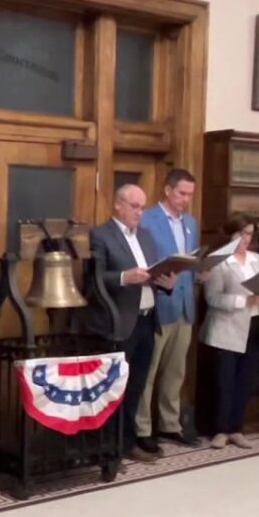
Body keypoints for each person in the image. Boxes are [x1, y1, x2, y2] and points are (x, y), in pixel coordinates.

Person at [84, 184, 176, 463]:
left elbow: (153, 273)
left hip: (148, 320)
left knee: (136, 385)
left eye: (142, 207)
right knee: (113, 390)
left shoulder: (146, 237)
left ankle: (126, 444)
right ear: (118, 205)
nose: (139, 212)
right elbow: (93, 281)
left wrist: (166, 283)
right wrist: (125, 277)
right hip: (118, 322)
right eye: (134, 206)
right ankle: (105, 449)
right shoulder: (100, 235)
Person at [137, 168, 202, 451]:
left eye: (190, 194)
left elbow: (189, 260)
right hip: (159, 302)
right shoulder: (148, 219)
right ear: (167, 190)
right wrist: (160, 277)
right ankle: (142, 428)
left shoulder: (190, 221)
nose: (186, 199)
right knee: (149, 370)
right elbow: (143, 261)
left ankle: (170, 423)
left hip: (185, 304)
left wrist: (200, 273)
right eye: (181, 193)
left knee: (176, 371)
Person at [199, 214, 259, 449]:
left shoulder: (256, 260)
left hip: (253, 327)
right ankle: (220, 429)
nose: (245, 239)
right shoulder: (218, 260)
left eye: (249, 234)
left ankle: (236, 427)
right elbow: (213, 298)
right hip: (225, 330)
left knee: (246, 381)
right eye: (241, 234)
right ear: (230, 235)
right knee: (225, 382)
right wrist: (246, 301)